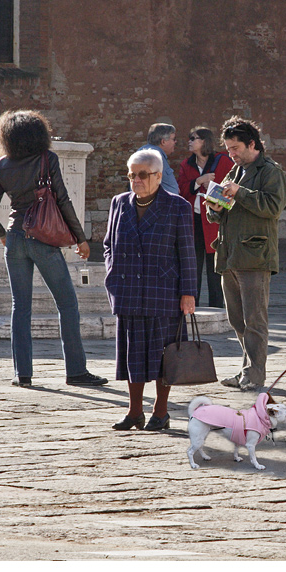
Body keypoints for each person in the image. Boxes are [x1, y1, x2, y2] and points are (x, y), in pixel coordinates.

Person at [0, 109, 108, 389]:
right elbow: (62, 200)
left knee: (20, 307)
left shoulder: (2, 165)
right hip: (43, 239)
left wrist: (3, 236)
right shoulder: (46, 159)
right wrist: (80, 238)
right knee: (67, 304)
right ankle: (76, 371)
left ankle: (22, 374)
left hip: (15, 238)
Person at [103, 148, 196, 431]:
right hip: (129, 289)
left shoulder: (177, 206)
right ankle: (134, 412)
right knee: (133, 354)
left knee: (161, 355)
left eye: (142, 174)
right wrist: (113, 274)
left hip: (163, 290)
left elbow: (187, 252)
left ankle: (161, 411)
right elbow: (108, 244)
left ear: (157, 176)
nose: (136, 180)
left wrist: (188, 293)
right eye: (132, 174)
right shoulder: (119, 203)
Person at [207, 117, 286, 392]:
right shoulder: (234, 171)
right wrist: (214, 208)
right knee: (237, 319)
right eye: (229, 149)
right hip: (229, 254)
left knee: (255, 319)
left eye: (235, 148)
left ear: (251, 144)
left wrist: (240, 192)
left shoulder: (269, 171)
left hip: (255, 255)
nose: (231, 153)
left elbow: (272, 207)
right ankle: (247, 370)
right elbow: (219, 212)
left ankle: (255, 375)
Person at [177, 126, 234, 307]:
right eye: (190, 138)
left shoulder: (223, 161)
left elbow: (233, 186)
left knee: (215, 268)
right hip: (193, 222)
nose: (190, 141)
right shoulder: (186, 165)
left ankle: (217, 308)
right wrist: (199, 181)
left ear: (205, 141)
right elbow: (182, 190)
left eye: (194, 138)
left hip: (216, 221)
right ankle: (191, 307)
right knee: (192, 268)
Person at [138, 123, 179, 195]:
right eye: (173, 139)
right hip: (160, 205)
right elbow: (146, 185)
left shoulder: (151, 153)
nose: (175, 142)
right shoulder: (152, 156)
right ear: (163, 142)